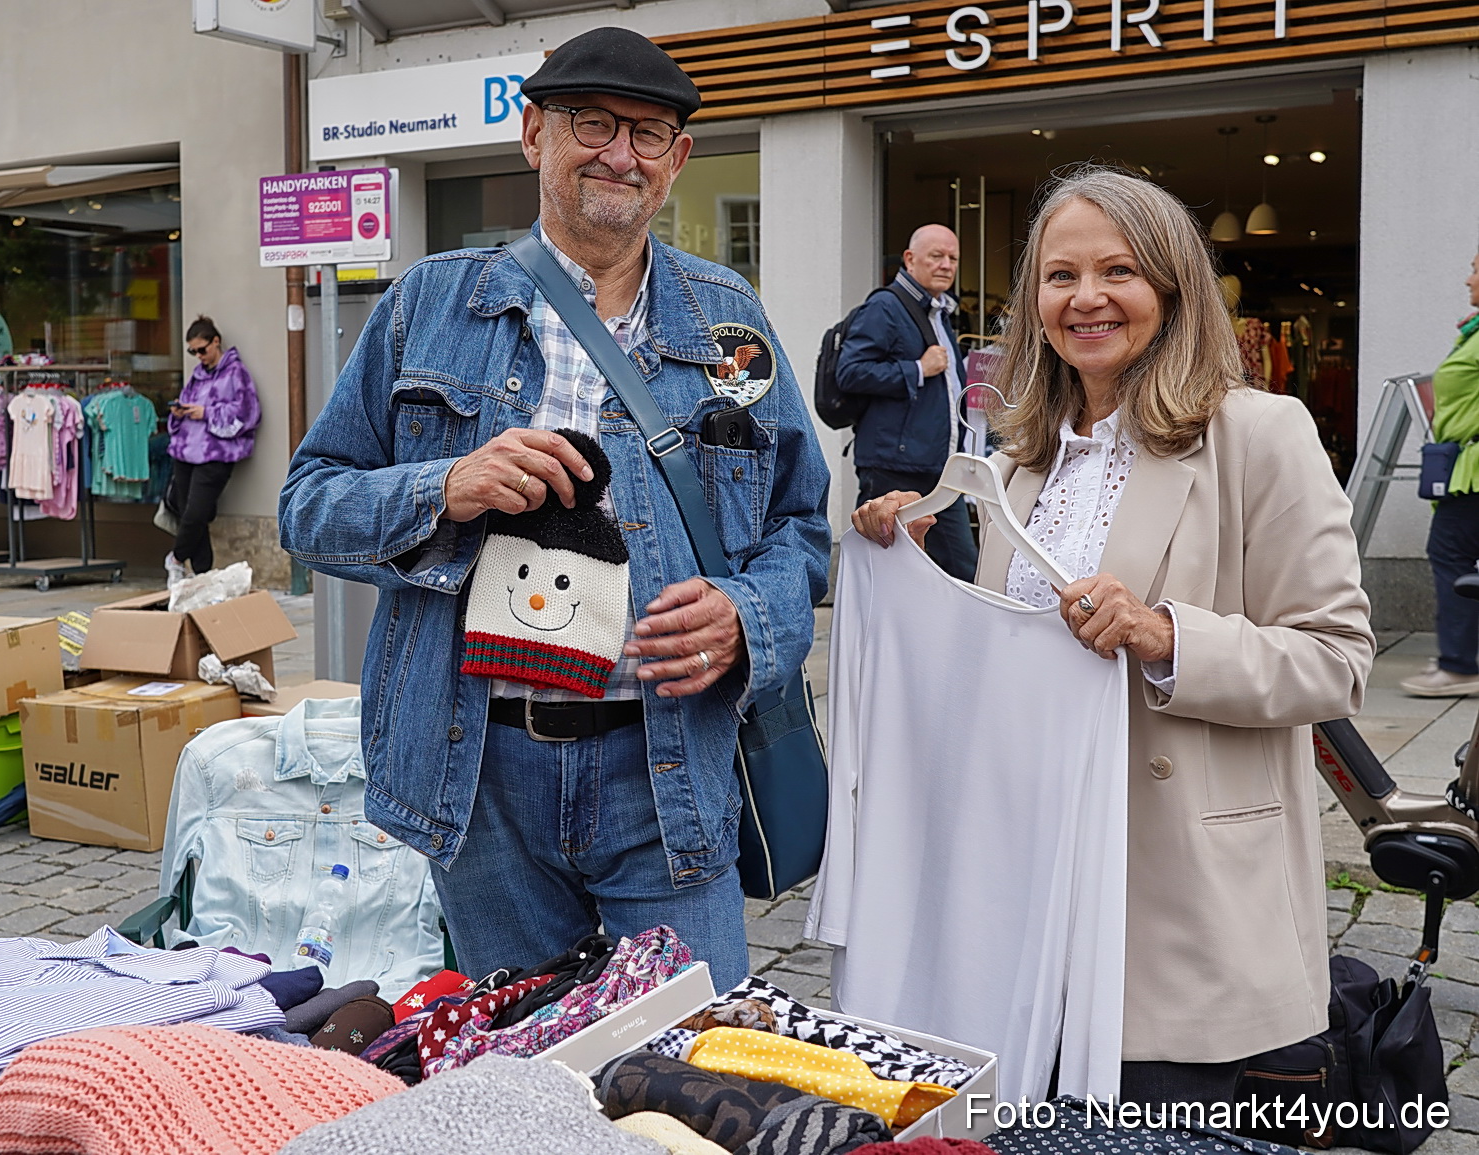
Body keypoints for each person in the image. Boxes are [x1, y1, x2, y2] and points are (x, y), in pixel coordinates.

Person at [278, 27, 830, 993]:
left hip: (667, 765)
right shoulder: (428, 305)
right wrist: (443, 487)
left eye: (647, 133)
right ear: (534, 134)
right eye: (592, 123)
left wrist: (748, 616)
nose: (621, 153)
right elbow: (307, 504)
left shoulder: (729, 320)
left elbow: (801, 528)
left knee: (689, 1052)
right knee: (525, 1060)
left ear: (677, 159)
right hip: (481, 772)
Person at [853, 166, 1374, 1106]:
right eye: (1060, 276)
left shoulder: (1259, 433)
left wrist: (1166, 635)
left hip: (1179, 905)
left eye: (1118, 271)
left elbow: (1336, 660)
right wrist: (919, 581)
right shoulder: (1019, 461)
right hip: (1026, 895)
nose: (1085, 297)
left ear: (1171, 289)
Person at [836, 224, 977, 581]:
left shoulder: (939, 312)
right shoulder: (885, 307)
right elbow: (849, 372)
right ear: (910, 259)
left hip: (938, 468)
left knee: (963, 572)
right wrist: (917, 369)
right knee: (883, 574)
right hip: (893, 467)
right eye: (937, 256)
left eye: (953, 258)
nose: (946, 265)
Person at [1401, 252, 1479, 696]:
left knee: (1449, 552)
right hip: (1464, 467)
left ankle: (1459, 665)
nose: (1468, 279)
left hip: (1473, 474)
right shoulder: (1473, 332)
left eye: (1476, 270)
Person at [166, 316, 261, 576]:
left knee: (196, 513)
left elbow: (247, 413)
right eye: (193, 352)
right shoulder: (197, 376)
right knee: (190, 515)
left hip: (216, 454)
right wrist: (179, 412)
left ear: (216, 342)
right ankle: (202, 574)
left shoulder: (235, 372)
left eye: (202, 349)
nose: (198, 356)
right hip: (185, 452)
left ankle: (176, 559)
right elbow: (188, 403)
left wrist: (206, 413)